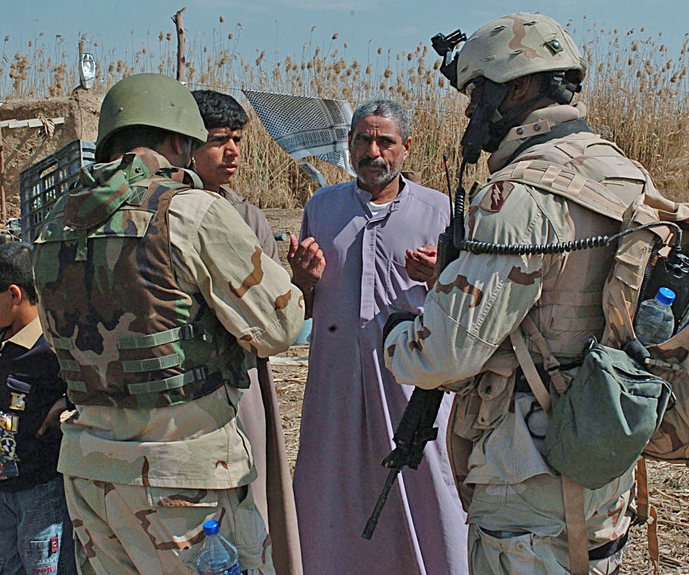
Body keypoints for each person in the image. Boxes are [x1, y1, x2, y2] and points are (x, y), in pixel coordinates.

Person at [385, 13, 647, 574]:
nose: (469, 109)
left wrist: (397, 337)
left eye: (477, 91)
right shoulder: (622, 171)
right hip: (600, 453)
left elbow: (444, 355)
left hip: (528, 470)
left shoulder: (521, 194)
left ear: (519, 86)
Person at [31, 73, 305, 574]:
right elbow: (279, 324)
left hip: (91, 471)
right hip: (183, 478)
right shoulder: (191, 211)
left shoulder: (57, 222)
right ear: (179, 140)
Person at [288, 99, 468, 575]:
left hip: (413, 389)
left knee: (430, 483)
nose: (373, 151)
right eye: (363, 141)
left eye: (385, 141)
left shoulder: (440, 211)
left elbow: (466, 312)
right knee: (330, 482)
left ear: (406, 147)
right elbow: (299, 309)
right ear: (349, 146)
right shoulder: (322, 208)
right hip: (336, 382)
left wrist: (438, 279)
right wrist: (302, 279)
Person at [192, 88, 303, 575]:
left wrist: (303, 283)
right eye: (218, 140)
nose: (232, 151)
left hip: (243, 381)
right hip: (187, 390)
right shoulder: (165, 212)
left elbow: (270, 318)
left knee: (252, 503)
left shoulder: (246, 216)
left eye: (237, 140)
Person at [0, 241, 75, 575]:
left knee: (44, 565)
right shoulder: (2, 341)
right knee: (2, 564)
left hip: (40, 489)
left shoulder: (52, 348)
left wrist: (67, 403)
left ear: (13, 294)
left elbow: (89, 386)